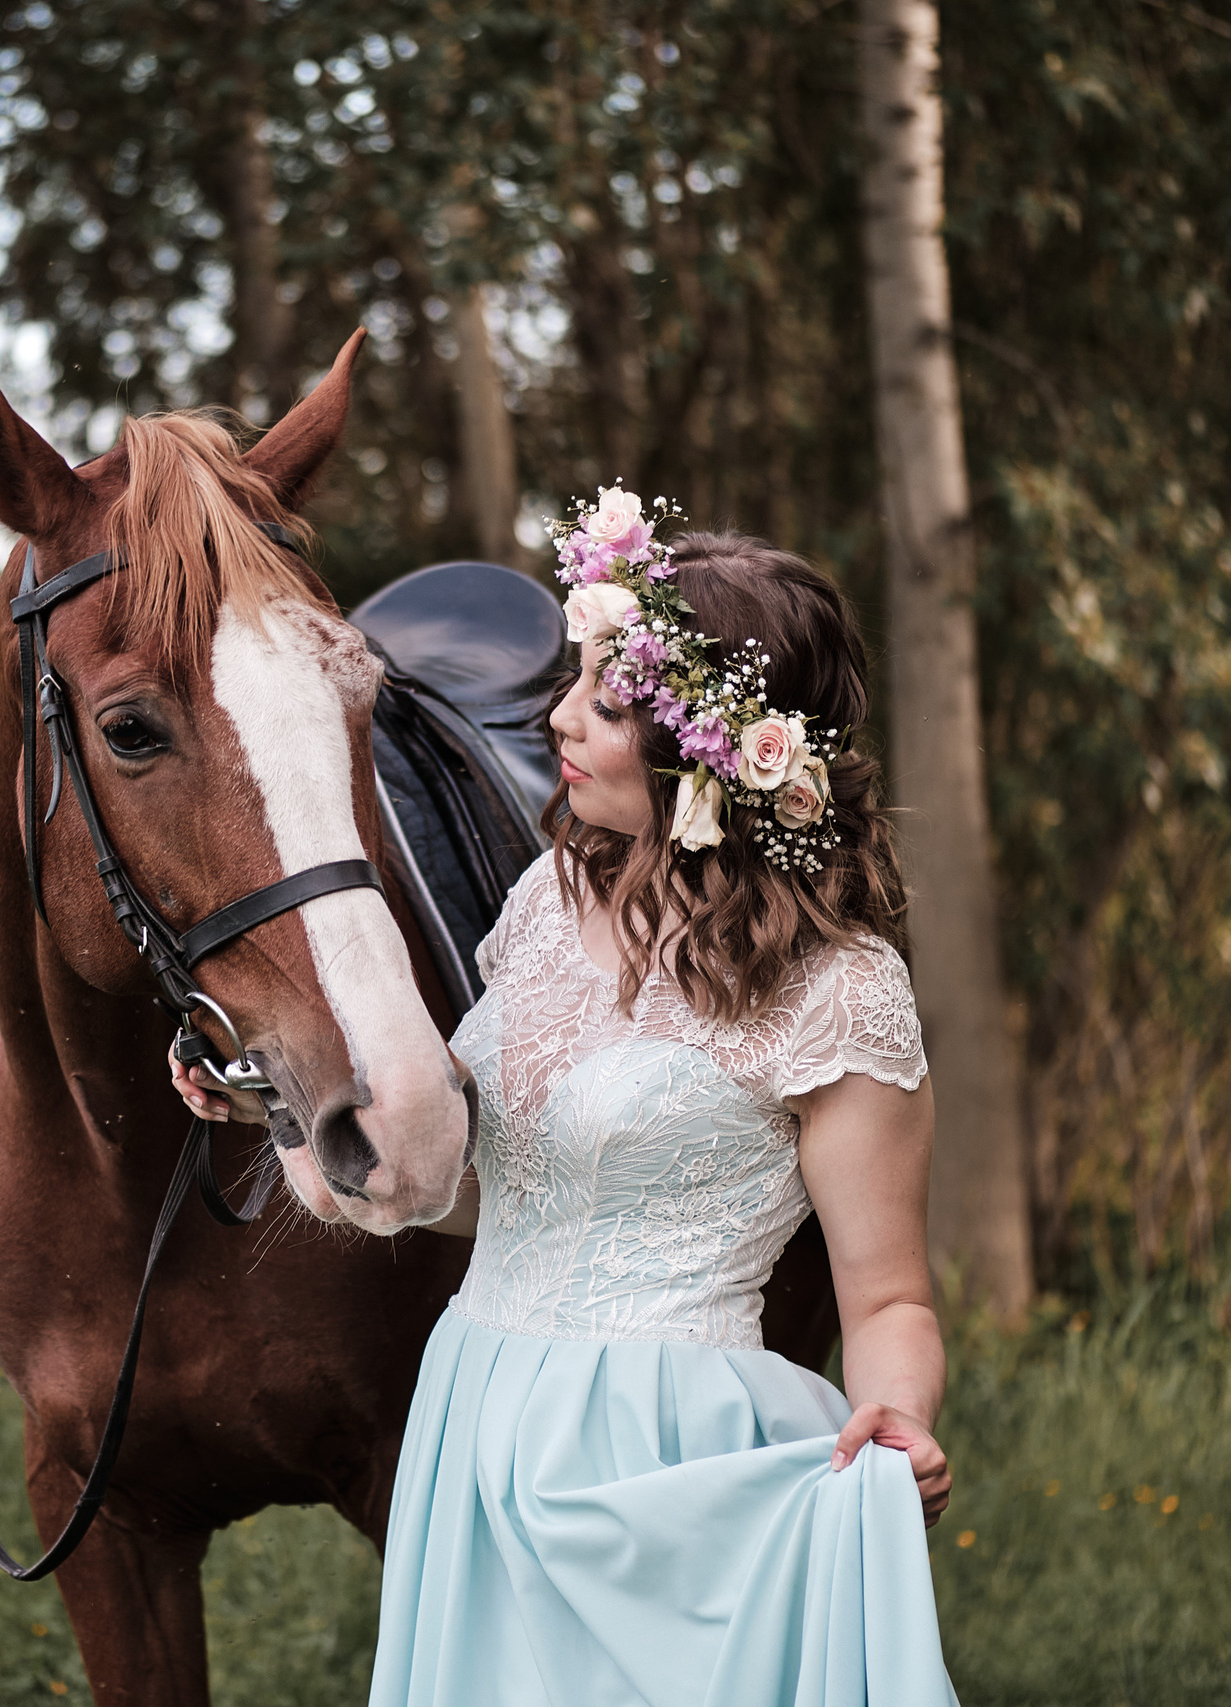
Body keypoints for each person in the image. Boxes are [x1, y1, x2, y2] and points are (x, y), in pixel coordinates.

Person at [177, 496, 959, 1707]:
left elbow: (890, 1293)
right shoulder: (544, 903)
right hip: (474, 1418)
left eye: (604, 700)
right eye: (572, 684)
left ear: (710, 745)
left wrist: (896, 1412)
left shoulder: (839, 996)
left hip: (660, 1467)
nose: (555, 719)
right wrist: (278, 1111)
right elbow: (483, 1198)